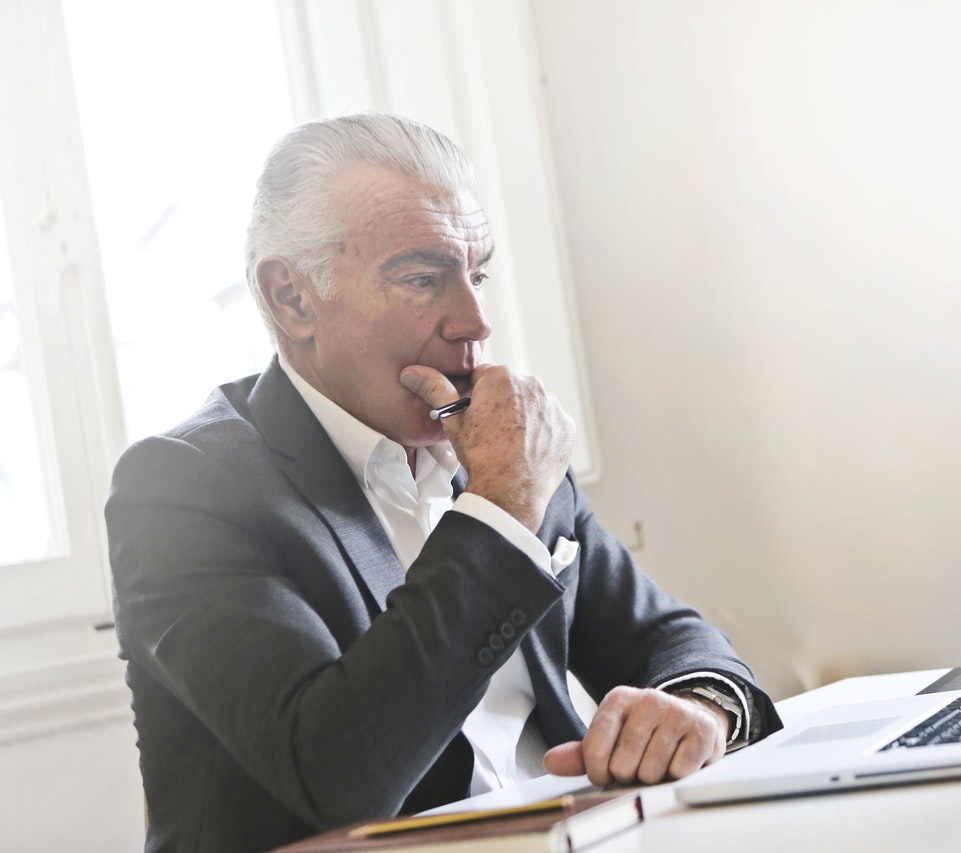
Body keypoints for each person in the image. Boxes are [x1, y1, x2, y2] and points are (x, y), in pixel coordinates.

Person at [106, 113, 781, 853]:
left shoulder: (497, 447)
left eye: (478, 274)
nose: (475, 322)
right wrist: (500, 509)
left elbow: (672, 637)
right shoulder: (182, 488)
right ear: (292, 299)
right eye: (424, 278)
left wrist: (702, 706)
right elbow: (340, 772)